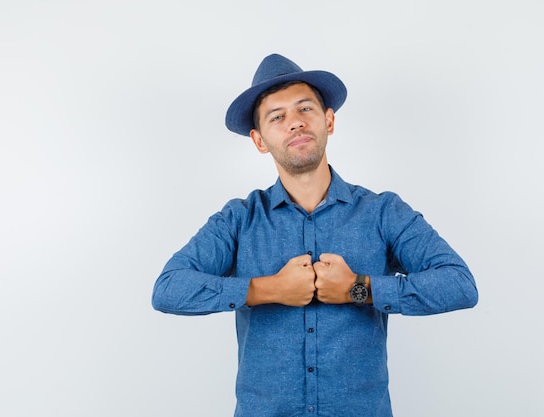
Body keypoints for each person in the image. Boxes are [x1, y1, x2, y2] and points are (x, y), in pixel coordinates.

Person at [151, 53, 478, 417]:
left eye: (305, 109)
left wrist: (360, 289)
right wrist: (269, 289)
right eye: (278, 117)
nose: (295, 123)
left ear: (328, 120)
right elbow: (169, 289)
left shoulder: (383, 212)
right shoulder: (238, 219)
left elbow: (459, 284)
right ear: (260, 140)